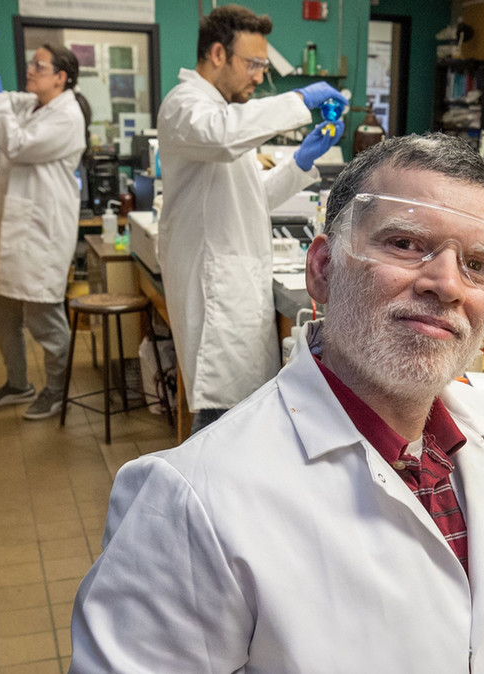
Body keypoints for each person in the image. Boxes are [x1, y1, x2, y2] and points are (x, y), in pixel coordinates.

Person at [70, 134, 484, 674]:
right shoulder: (192, 500)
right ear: (322, 269)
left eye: (477, 264)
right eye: (406, 243)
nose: (446, 284)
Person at [157, 4, 347, 435]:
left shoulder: (220, 115)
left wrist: (300, 163)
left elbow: (250, 198)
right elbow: (223, 135)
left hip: (236, 286)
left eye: (264, 65)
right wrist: (298, 100)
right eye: (254, 64)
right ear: (218, 54)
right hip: (217, 295)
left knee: (238, 423)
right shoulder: (186, 106)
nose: (260, 76)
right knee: (219, 425)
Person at [0, 30, 90, 420]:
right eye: (31, 63)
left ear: (61, 78)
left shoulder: (67, 117)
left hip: (40, 233)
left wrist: (0, 98)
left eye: (39, 65)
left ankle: (57, 390)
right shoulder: (29, 104)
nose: (30, 70)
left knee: (44, 320)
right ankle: (18, 384)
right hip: (10, 228)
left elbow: (16, 145)